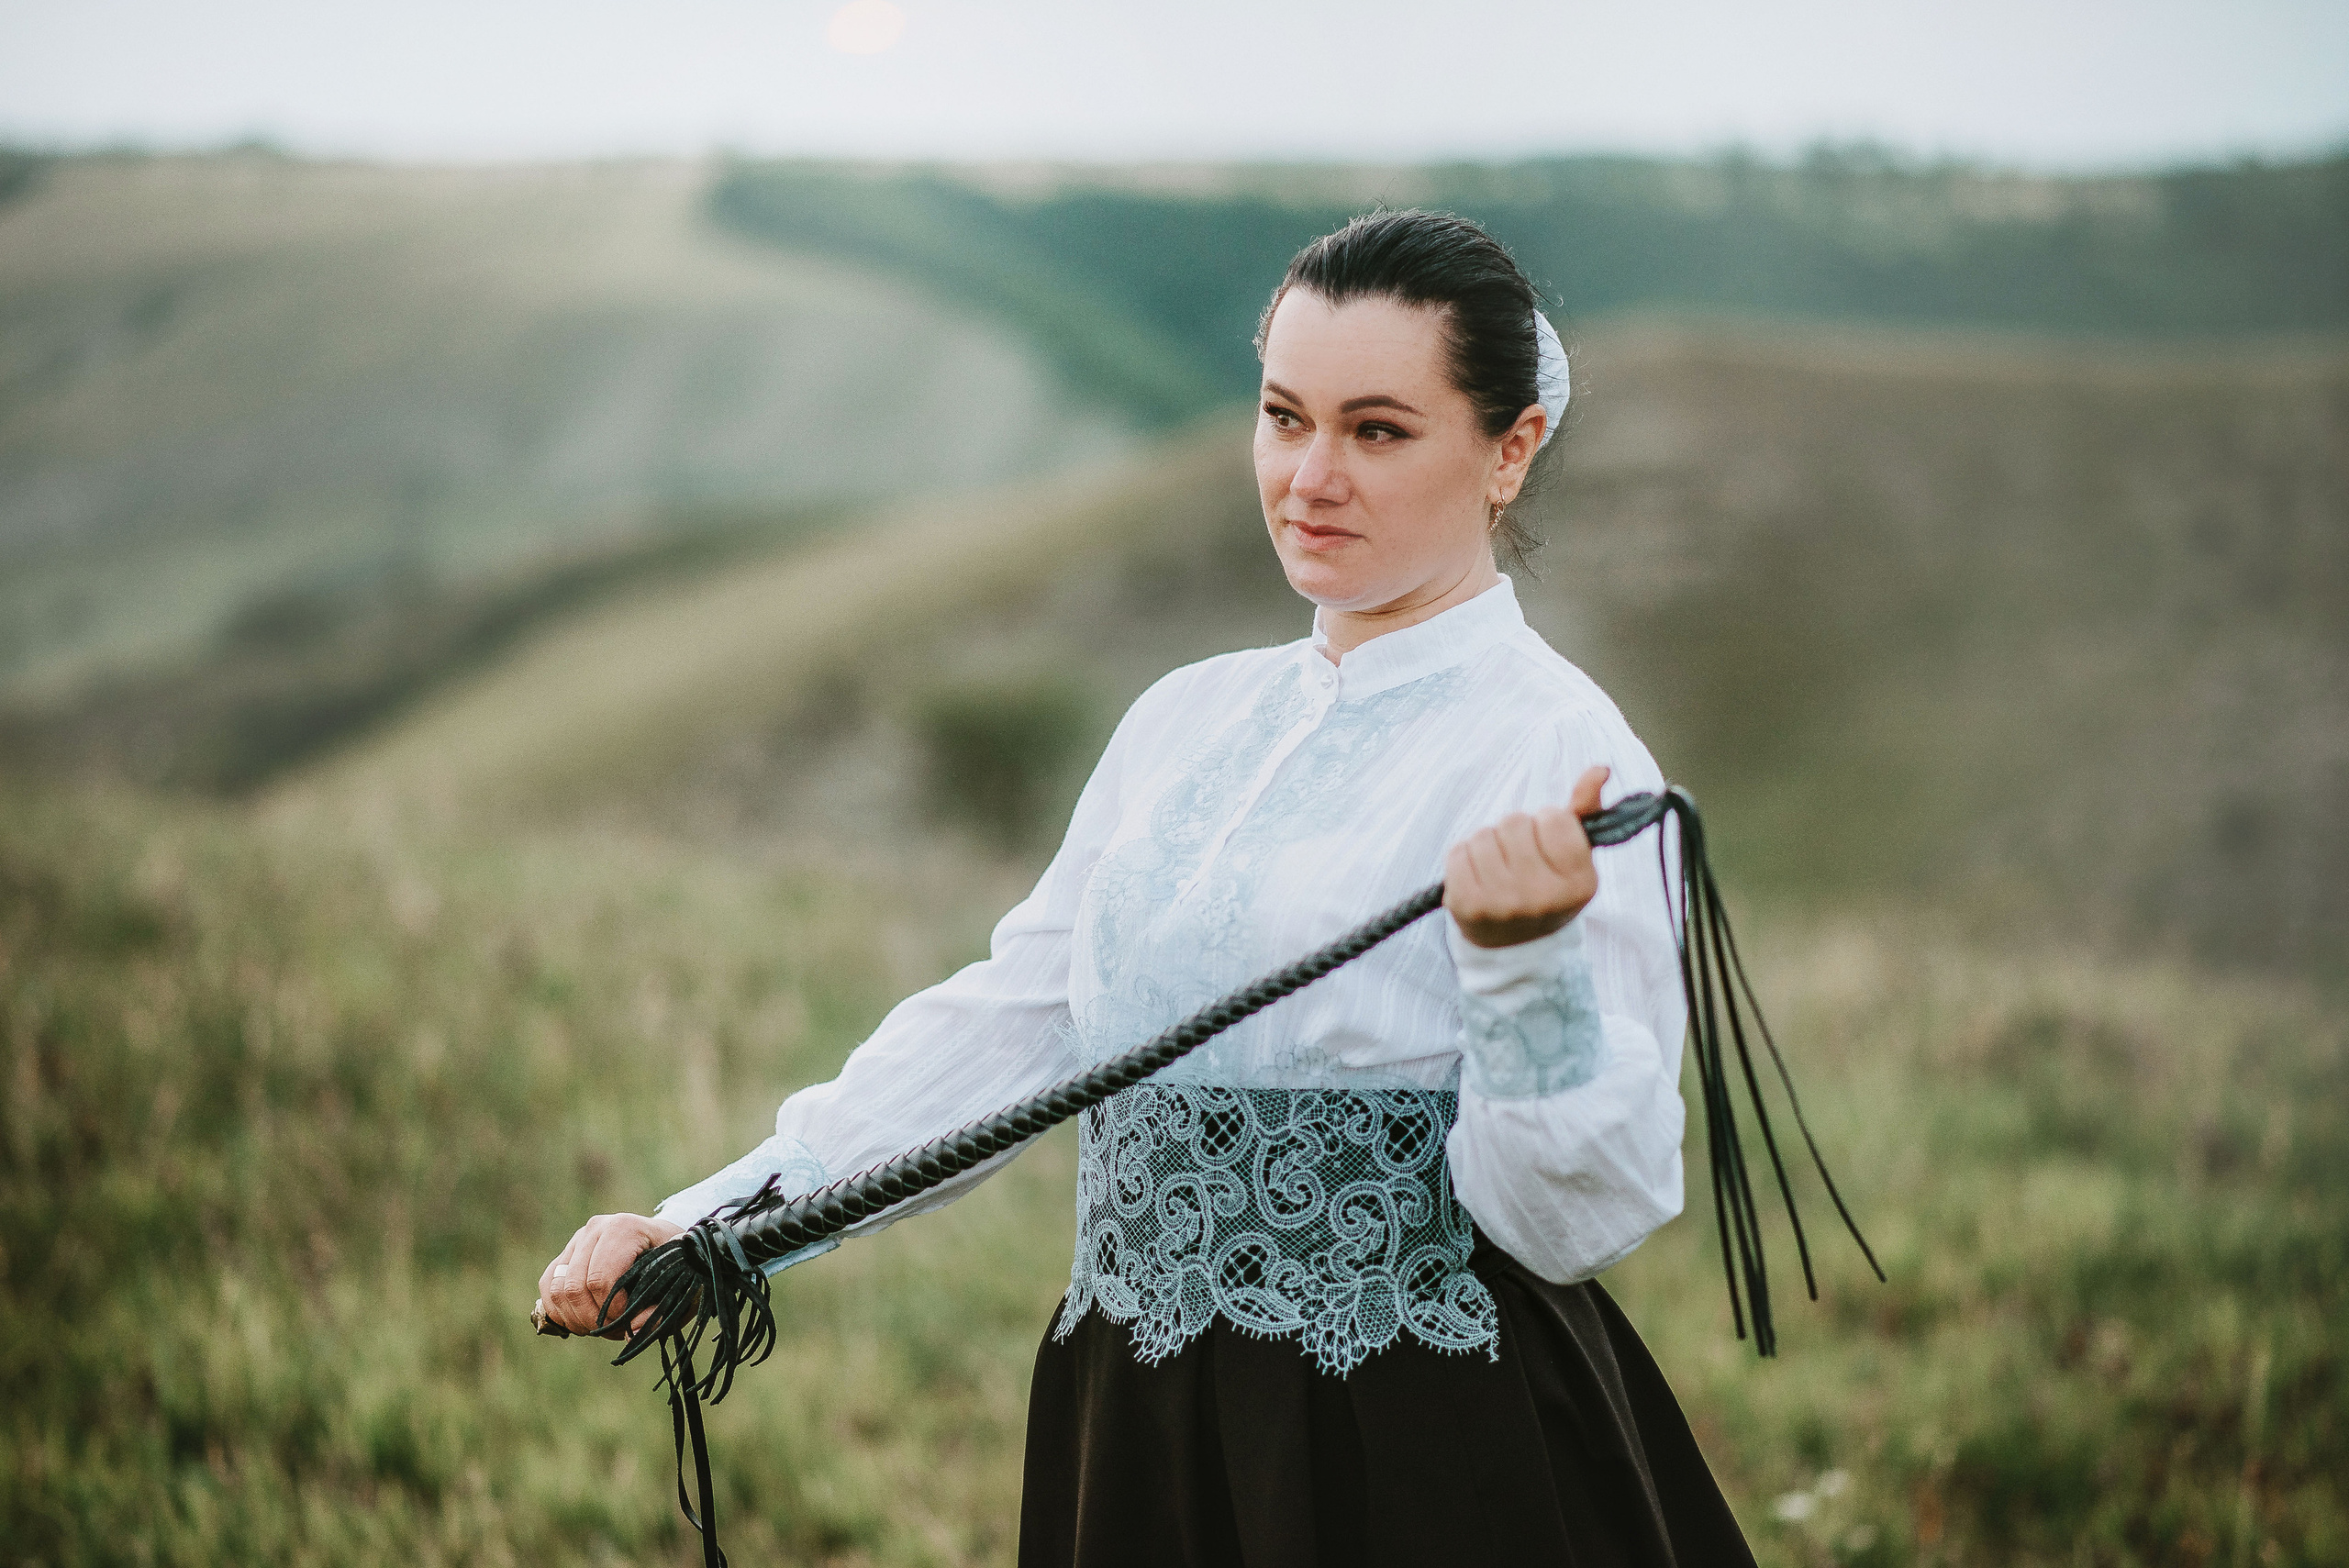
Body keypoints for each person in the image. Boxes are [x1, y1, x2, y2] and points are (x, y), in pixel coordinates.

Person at [540, 209, 1757, 1565]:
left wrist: (1525, 968)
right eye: (1284, 416)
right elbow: (1020, 1023)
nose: (1311, 476)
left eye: (1378, 430)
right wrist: (711, 1228)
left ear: (1509, 449)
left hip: (1419, 1448)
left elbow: (1578, 1215)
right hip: (1138, 1430)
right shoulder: (1186, 720)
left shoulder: (1559, 752)